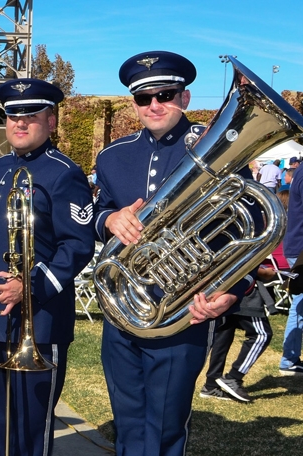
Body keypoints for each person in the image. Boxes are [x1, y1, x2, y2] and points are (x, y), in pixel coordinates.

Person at [93, 51, 255, 455]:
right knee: (127, 422)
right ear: (133, 102)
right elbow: (98, 211)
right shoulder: (113, 156)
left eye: (166, 94)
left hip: (184, 311)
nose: (154, 105)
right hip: (122, 311)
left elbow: (250, 226)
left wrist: (233, 291)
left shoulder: (219, 146)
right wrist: (110, 220)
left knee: (165, 427)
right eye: (144, 98)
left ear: (184, 97)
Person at [0, 78, 95, 455]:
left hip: (42, 319)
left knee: (31, 427)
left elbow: (77, 246)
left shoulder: (65, 173)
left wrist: (27, 286)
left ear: (51, 119)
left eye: (31, 116)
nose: (19, 123)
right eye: (13, 115)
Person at [200, 266, 274, 402]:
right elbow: (250, 262)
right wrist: (265, 272)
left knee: (223, 335)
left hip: (225, 289)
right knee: (262, 334)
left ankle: (211, 385)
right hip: (244, 292)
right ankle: (233, 377)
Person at [280, 149, 303, 376]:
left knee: (299, 305)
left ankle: (290, 358)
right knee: (299, 305)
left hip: (296, 245)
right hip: (299, 248)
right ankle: (289, 359)